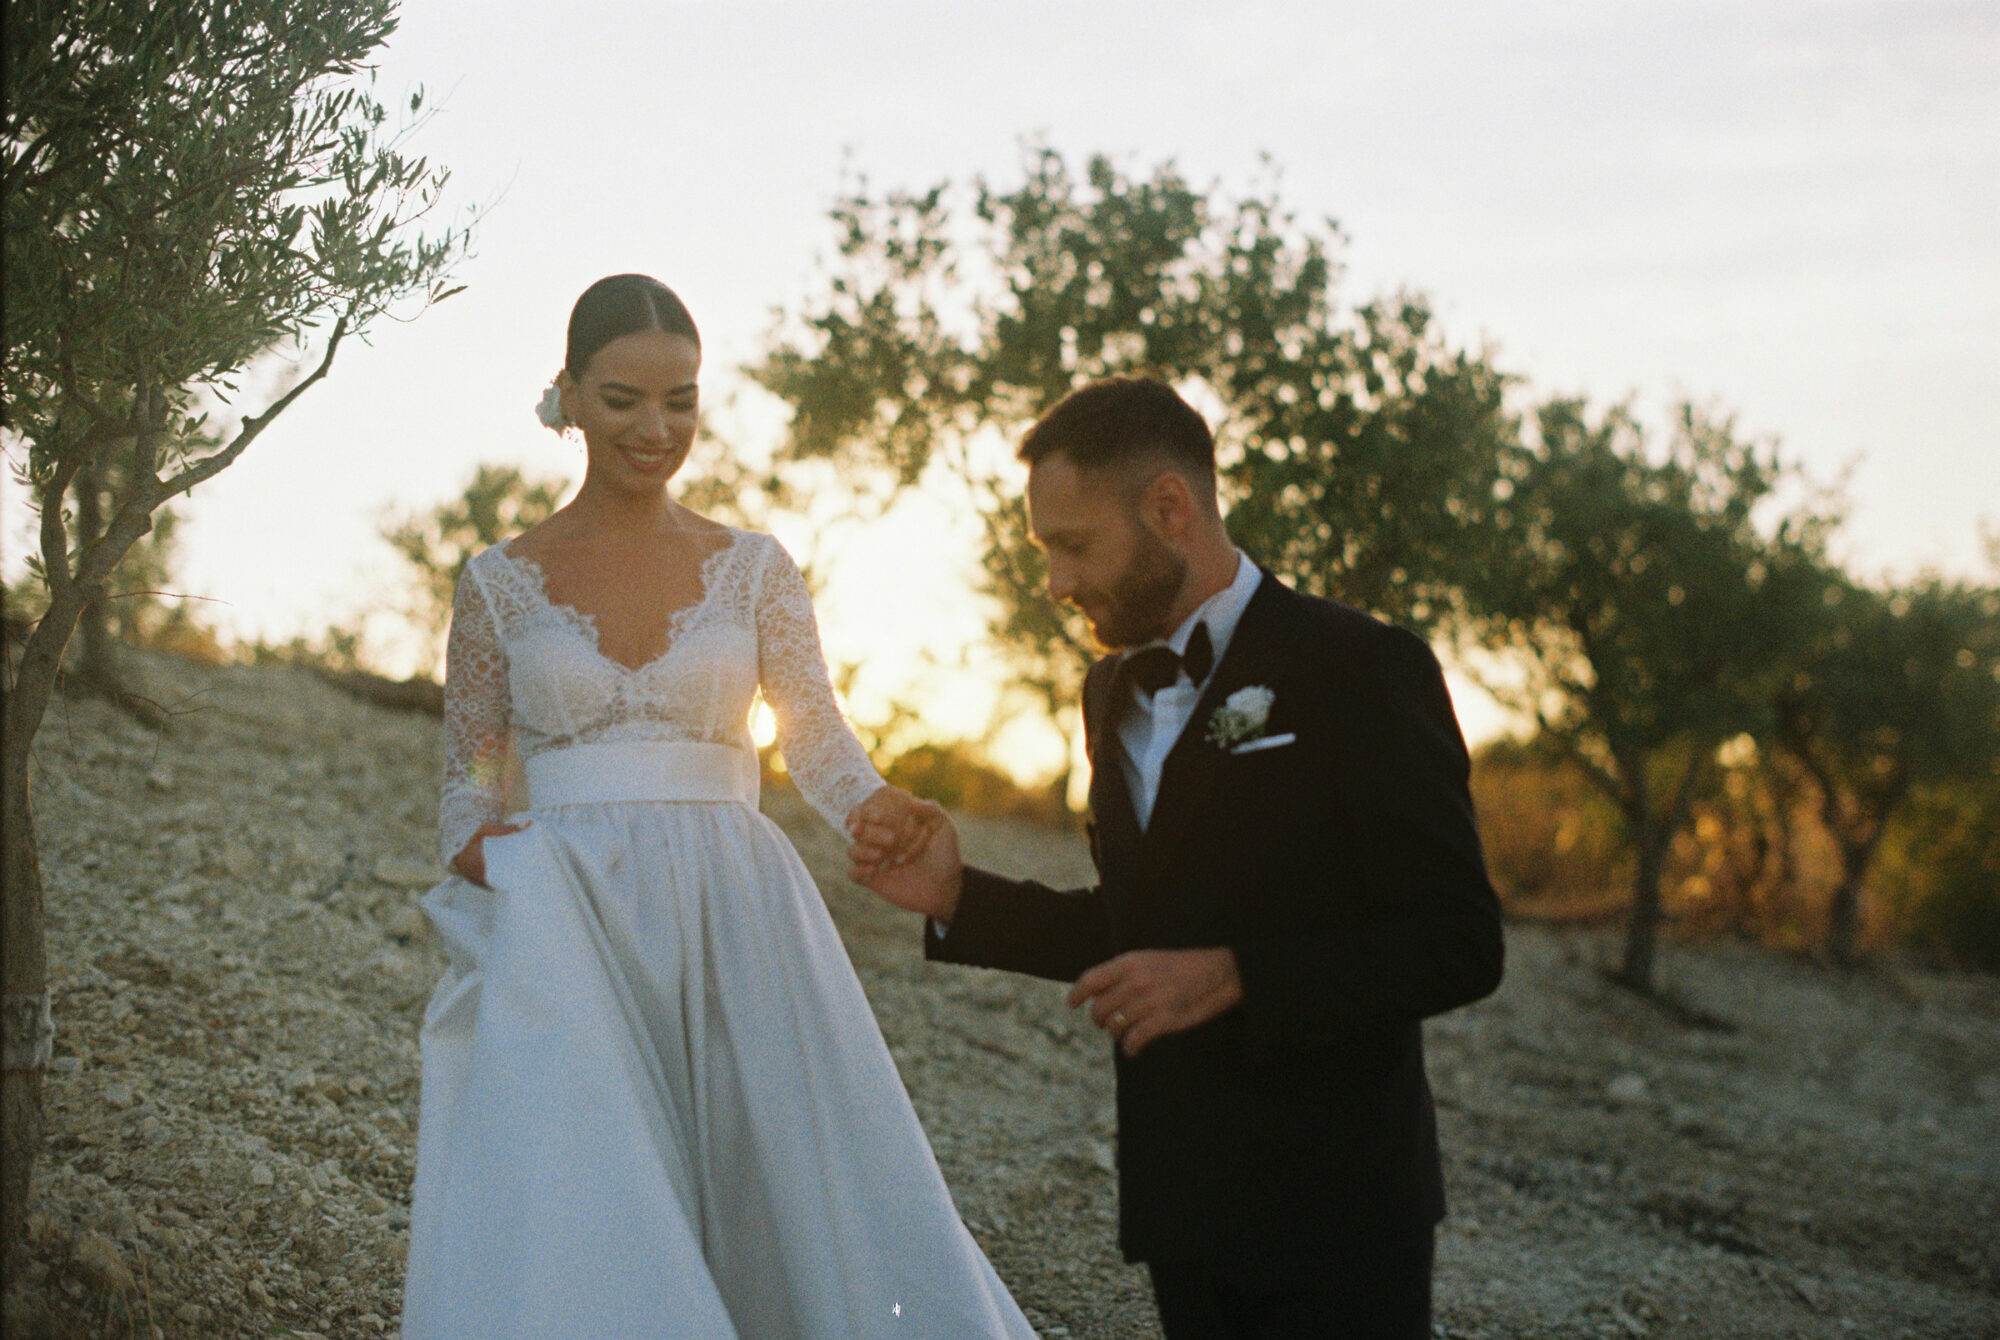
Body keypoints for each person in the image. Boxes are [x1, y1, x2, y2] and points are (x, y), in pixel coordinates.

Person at [402, 274, 1037, 1338]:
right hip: (571, 912)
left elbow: (813, 735)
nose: (656, 429)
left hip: (734, 901)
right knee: (598, 1184)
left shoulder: (752, 568)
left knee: (777, 1175)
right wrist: (476, 845)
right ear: (566, 395)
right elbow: (467, 768)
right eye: (622, 399)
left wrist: (878, 807)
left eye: (680, 400)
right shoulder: (497, 581)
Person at [849, 376, 1505, 1339]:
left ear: (1169, 507)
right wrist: (959, 895)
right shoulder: (1108, 691)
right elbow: (1140, 928)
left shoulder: (1363, 668)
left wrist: (1242, 977)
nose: (1056, 585)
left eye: (1072, 547)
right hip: (1182, 1204)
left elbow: (1459, 941)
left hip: (1339, 1210)